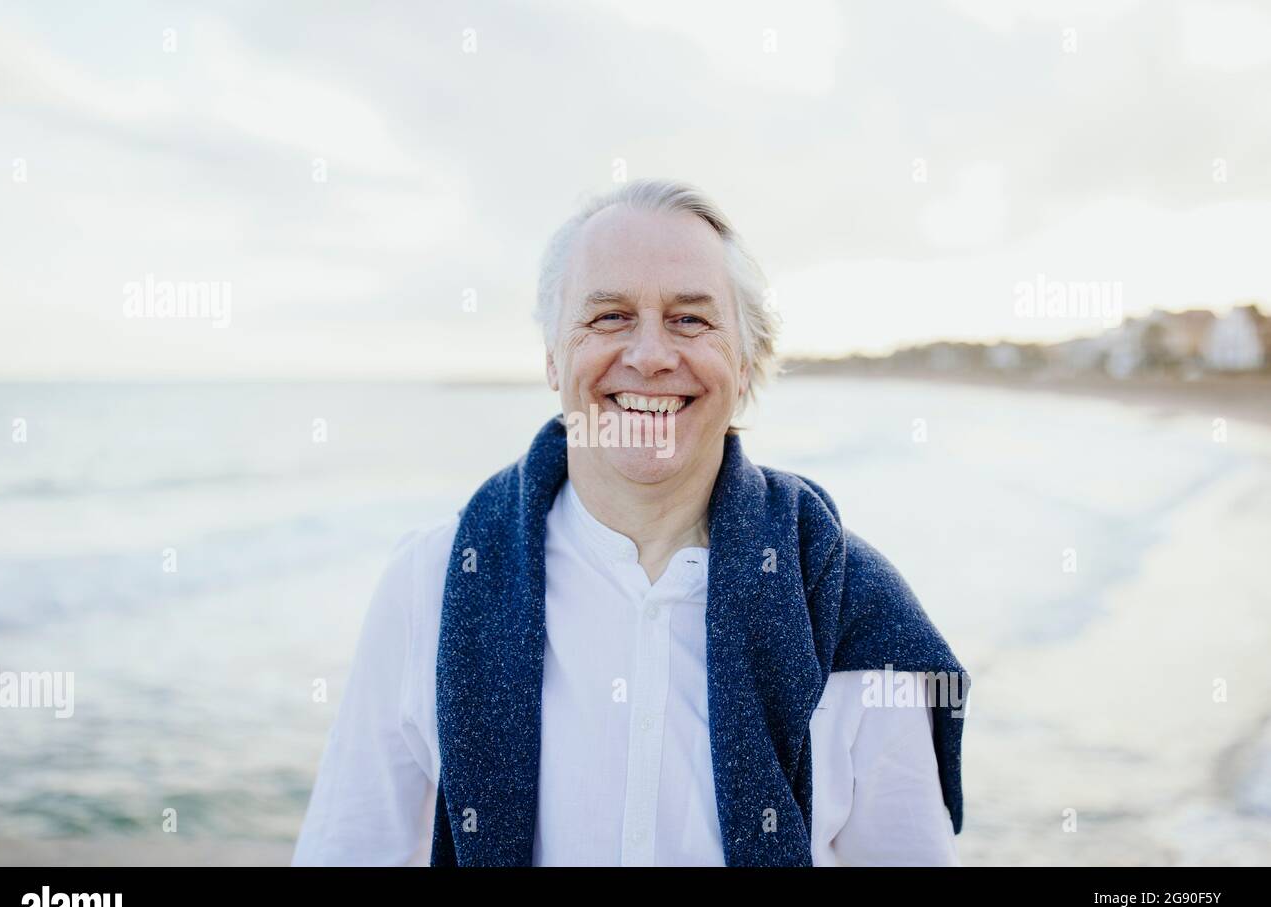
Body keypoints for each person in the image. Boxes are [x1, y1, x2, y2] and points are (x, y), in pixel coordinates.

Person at [292, 179, 968, 866]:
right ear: (554, 357)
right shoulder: (430, 584)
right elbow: (348, 848)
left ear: (743, 362)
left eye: (690, 320)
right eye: (610, 316)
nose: (649, 356)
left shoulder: (850, 603)